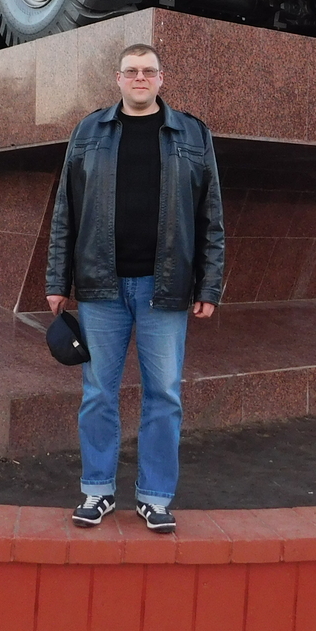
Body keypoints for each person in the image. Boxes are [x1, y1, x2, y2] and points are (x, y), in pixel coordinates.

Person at [46, 43, 224, 534]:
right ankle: (97, 491)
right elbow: (66, 211)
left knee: (163, 394)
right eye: (132, 72)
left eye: (149, 72)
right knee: (98, 392)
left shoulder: (192, 133)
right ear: (118, 79)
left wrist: (209, 283)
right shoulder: (89, 131)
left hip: (163, 288)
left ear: (161, 79)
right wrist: (57, 282)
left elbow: (211, 215)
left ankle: (155, 497)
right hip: (101, 287)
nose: (140, 79)